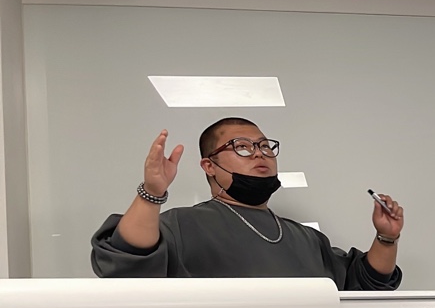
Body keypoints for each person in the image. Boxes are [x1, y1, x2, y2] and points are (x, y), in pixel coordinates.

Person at [91, 117, 404, 290]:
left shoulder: (307, 239)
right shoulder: (182, 225)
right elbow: (125, 264)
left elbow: (366, 284)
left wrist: (386, 237)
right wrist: (152, 191)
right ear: (209, 166)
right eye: (241, 147)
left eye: (265, 146)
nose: (259, 154)